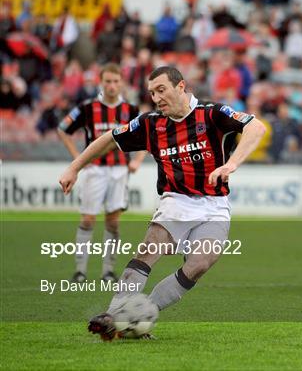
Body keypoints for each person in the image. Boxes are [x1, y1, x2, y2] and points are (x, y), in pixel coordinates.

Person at [59, 66, 266, 340]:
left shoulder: (211, 113)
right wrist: (75, 167)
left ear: (181, 86)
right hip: (175, 201)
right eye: (152, 93)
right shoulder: (150, 123)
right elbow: (109, 138)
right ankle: (114, 314)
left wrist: (231, 164)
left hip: (215, 205)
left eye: (161, 90)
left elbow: (256, 127)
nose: (156, 98)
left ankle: (137, 316)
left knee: (201, 264)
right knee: (150, 247)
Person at [57, 63, 143, 284]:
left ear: (121, 83)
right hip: (94, 170)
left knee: (113, 222)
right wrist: (78, 158)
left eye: (116, 81)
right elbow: (63, 129)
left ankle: (107, 271)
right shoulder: (87, 107)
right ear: (100, 82)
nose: (112, 86)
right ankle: (80, 270)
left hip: (120, 170)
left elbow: (148, 135)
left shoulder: (132, 110)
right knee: (88, 219)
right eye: (108, 81)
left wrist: (138, 160)